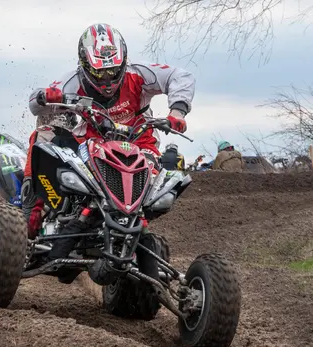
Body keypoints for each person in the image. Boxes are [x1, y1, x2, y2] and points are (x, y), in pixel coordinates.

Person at [21, 22, 196, 236]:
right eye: (100, 72)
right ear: (85, 65)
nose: (107, 79)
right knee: (44, 135)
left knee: (157, 195)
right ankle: (31, 207)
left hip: (140, 144)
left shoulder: (139, 74)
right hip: (90, 145)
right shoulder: (72, 81)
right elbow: (34, 105)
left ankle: (134, 235)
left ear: (123, 62)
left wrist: (177, 113)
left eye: (113, 71)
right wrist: (44, 97)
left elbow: (180, 76)